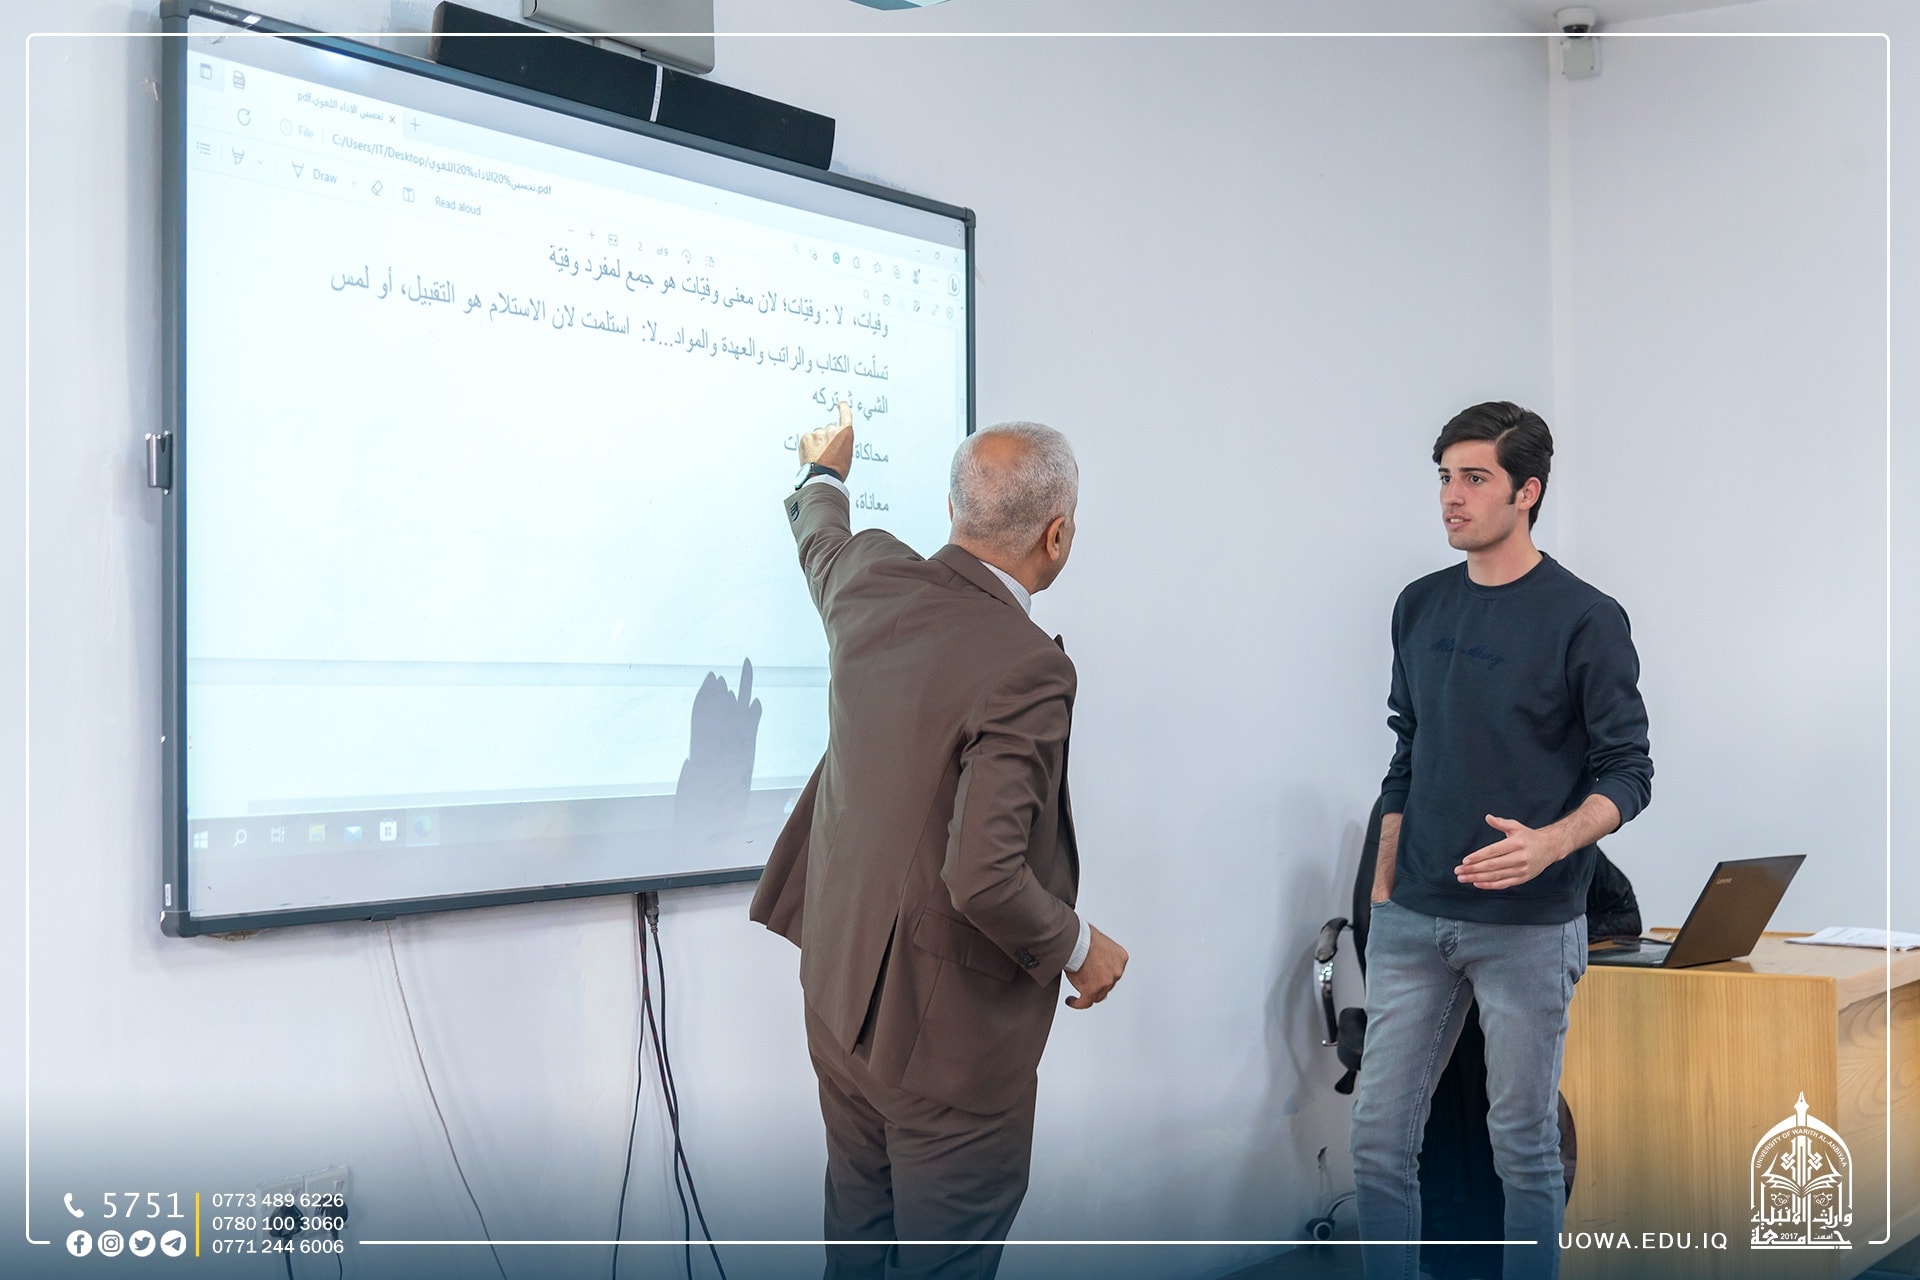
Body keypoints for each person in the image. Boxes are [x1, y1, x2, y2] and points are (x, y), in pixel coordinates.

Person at [750, 408, 1129, 1280]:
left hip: (839, 1008)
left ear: (953, 508)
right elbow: (985, 877)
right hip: (947, 1054)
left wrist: (823, 474)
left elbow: (820, 540)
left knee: (856, 1251)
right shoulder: (1028, 667)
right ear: (1057, 535)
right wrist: (1081, 948)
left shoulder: (872, 579)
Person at [1349, 401, 1654, 1280]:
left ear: (1528, 491)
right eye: (1445, 477)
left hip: (1530, 923)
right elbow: (1407, 749)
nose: (1452, 496)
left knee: (1521, 1143)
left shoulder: (1585, 617)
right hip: (1412, 918)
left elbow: (1628, 772)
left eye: (1475, 478)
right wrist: (1383, 886)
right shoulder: (1418, 605)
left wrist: (1552, 844)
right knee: (1376, 1140)